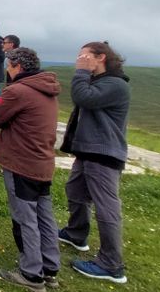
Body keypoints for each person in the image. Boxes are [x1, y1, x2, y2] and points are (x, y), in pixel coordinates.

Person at [0, 47, 61, 290]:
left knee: (25, 217)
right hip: (43, 161)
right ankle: (50, 267)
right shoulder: (47, 89)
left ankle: (31, 273)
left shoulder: (18, 91)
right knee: (44, 215)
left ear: (17, 66)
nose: (7, 69)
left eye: (9, 65)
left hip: (21, 162)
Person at [59, 42, 131, 284]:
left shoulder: (116, 84)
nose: (79, 59)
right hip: (88, 149)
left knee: (106, 207)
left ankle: (112, 264)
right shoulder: (99, 82)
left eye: (84, 55)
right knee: (75, 191)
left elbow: (83, 98)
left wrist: (80, 72)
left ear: (101, 58)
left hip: (103, 152)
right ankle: (76, 234)